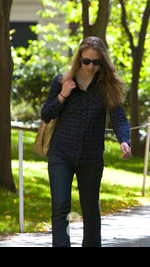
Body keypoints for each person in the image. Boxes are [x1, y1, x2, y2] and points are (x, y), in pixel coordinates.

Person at [41, 36, 131, 247]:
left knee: (90, 209)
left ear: (103, 62)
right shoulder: (62, 80)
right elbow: (46, 114)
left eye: (96, 62)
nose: (91, 66)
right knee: (60, 207)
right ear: (79, 59)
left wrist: (124, 140)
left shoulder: (107, 86)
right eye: (86, 61)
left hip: (91, 156)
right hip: (61, 153)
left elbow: (118, 117)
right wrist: (63, 95)